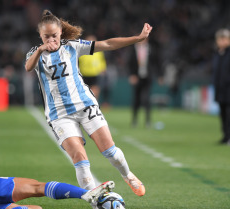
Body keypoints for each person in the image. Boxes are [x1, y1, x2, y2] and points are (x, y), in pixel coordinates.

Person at [25, 10, 151, 196]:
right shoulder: (35, 53)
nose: (51, 39)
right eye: (46, 36)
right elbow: (28, 67)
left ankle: (128, 175)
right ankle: (96, 201)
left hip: (85, 105)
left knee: (110, 151)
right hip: (59, 114)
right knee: (79, 158)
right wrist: (41, 49)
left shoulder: (72, 46)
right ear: (40, 36)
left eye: (54, 35)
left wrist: (137, 38)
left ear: (60, 31)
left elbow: (107, 44)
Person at [128, 38, 163, 128]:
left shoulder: (151, 48)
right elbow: (129, 63)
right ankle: (134, 120)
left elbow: (157, 62)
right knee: (136, 100)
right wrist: (131, 75)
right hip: (137, 77)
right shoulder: (133, 49)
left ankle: (148, 121)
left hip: (148, 77)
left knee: (146, 99)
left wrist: (160, 75)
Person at [212, 28, 230, 145]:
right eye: (219, 39)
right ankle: (225, 136)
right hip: (220, 89)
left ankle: (229, 136)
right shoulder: (218, 54)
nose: (221, 41)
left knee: (228, 114)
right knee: (222, 113)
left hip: (229, 89)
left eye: (224, 39)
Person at [78, 35, 107, 100]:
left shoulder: (99, 52)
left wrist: (103, 69)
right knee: (84, 92)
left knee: (95, 90)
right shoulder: (81, 51)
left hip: (95, 74)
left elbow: (102, 62)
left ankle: (94, 104)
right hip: (84, 74)